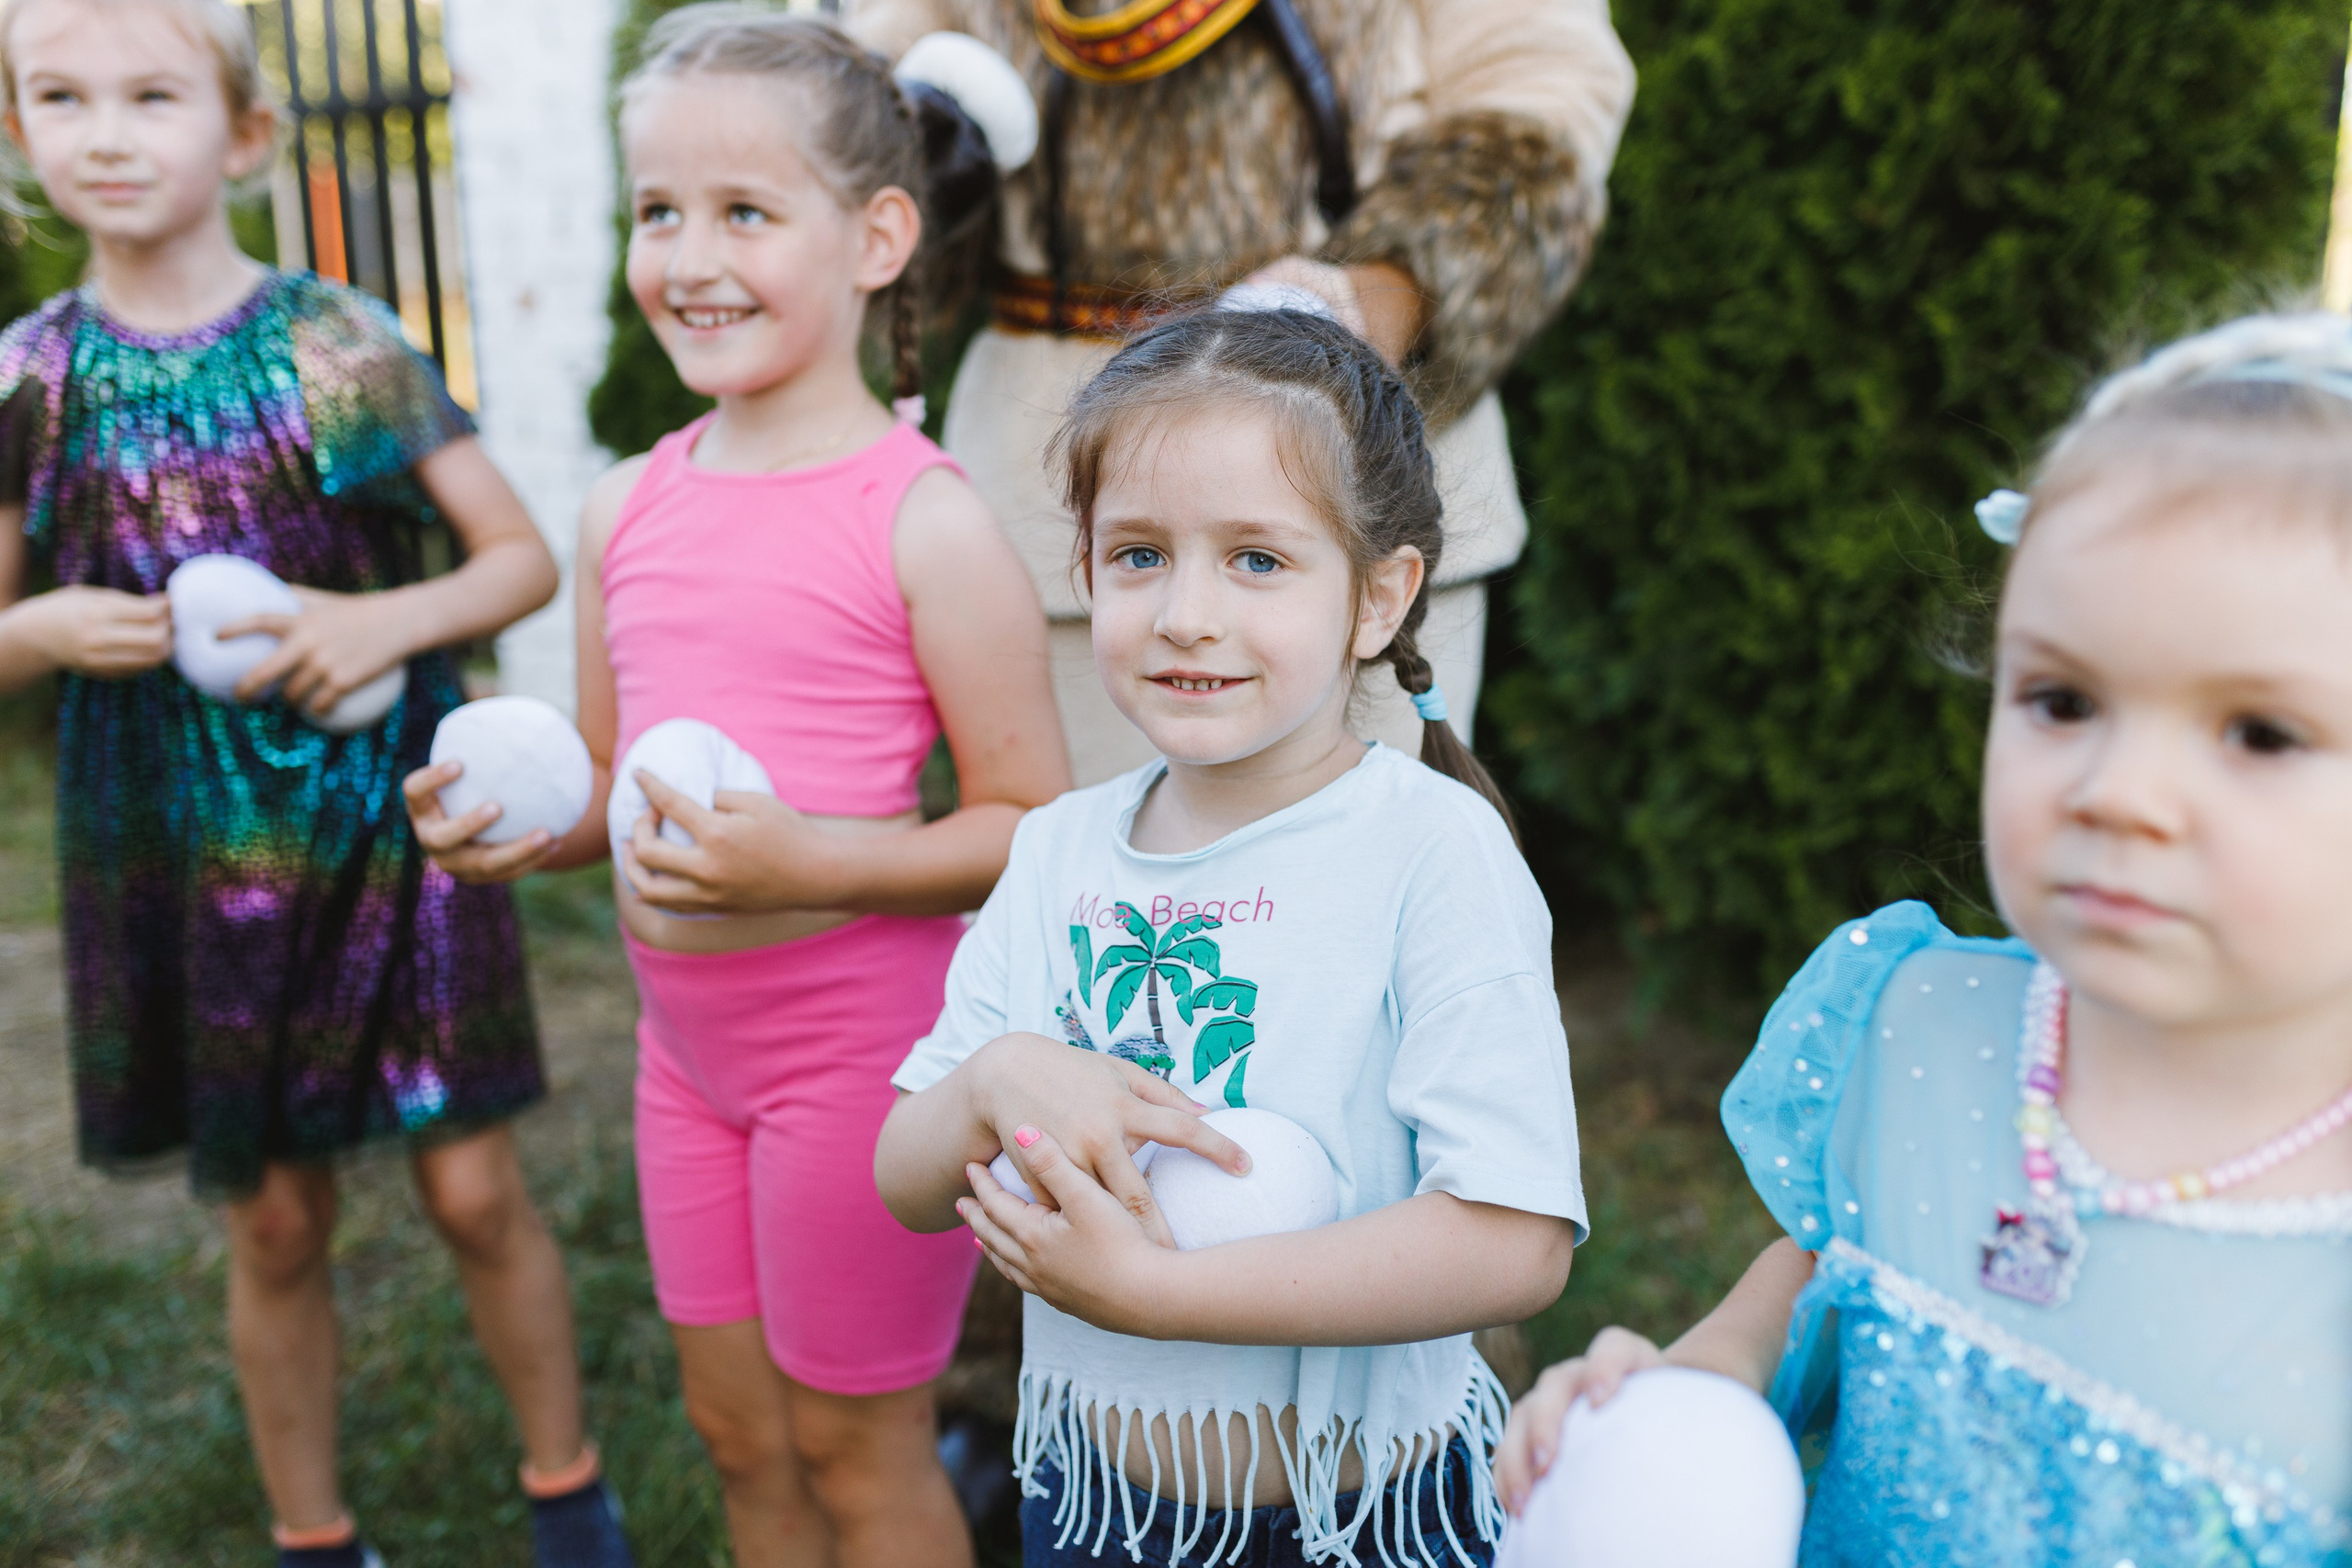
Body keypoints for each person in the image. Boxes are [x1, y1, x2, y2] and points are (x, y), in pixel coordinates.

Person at [1494, 313, 2352, 1565]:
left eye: (2260, 732)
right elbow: (1803, 1301)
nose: (2118, 789)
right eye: (2062, 699)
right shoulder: (1916, 1024)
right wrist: (1675, 1403)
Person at [405, 9, 1070, 1566]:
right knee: (737, 1434)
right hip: (684, 1063)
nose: (688, 255)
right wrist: (509, 827)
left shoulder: (924, 519)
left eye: (745, 212)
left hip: (864, 1064)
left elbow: (1030, 824)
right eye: (659, 211)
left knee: (856, 1445)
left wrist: (803, 867)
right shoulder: (626, 504)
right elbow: (602, 788)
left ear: (879, 237)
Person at [0, 2, 636, 1565]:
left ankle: (570, 1495)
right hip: (170, 843)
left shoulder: (329, 338)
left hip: (384, 822)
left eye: (152, 94)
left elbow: (514, 560)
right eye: (60, 97)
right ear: (18, 133)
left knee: (473, 1183)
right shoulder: (32, 375)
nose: (105, 131)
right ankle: (312, 1534)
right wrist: (31, 626)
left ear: (246, 135)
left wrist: (376, 619)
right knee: (273, 1215)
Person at [875, 310, 1586, 1568]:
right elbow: (907, 1177)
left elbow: (1515, 1234)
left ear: (1379, 596)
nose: (1186, 613)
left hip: (1368, 1518)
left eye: (1257, 559)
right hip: (1094, 1503)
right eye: (1140, 553)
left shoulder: (1433, 852)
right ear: (1085, 571)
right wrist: (990, 1079)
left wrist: (1158, 1298)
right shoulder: (1054, 853)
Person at [845, 0, 1635, 785]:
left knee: (1358, 884)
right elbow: (861, 101)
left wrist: (1375, 301)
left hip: (1351, 462)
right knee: (1082, 892)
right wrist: (918, 145)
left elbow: (1540, 103)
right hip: (1051, 498)